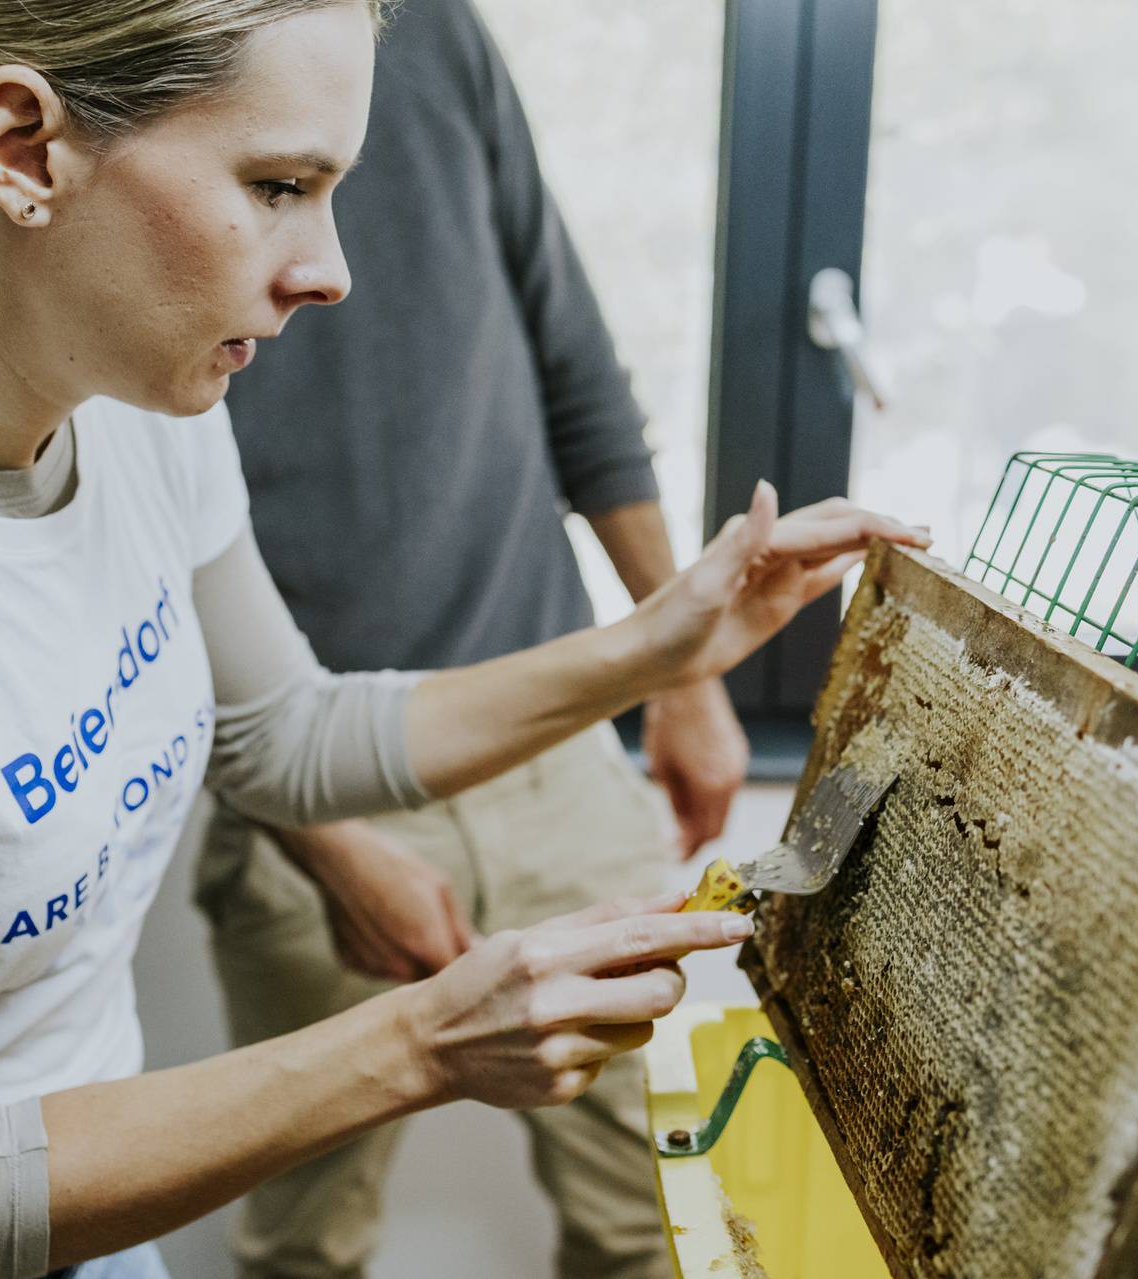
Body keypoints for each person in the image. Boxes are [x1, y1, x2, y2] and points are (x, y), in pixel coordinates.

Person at [0, 3, 926, 1278]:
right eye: (277, 188)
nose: (331, 272)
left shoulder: (128, 417)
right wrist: (425, 1037)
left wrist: (662, 640)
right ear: (24, 147)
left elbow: (286, 732)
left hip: (73, 1172)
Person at [194, 3, 754, 1275]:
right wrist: (325, 844)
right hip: (307, 797)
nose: (318, 265)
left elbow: (576, 369)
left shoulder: (432, 29)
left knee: (655, 1224)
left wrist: (689, 679)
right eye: (281, 187)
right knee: (305, 1245)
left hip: (558, 763)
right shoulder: (140, 67)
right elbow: (138, 576)